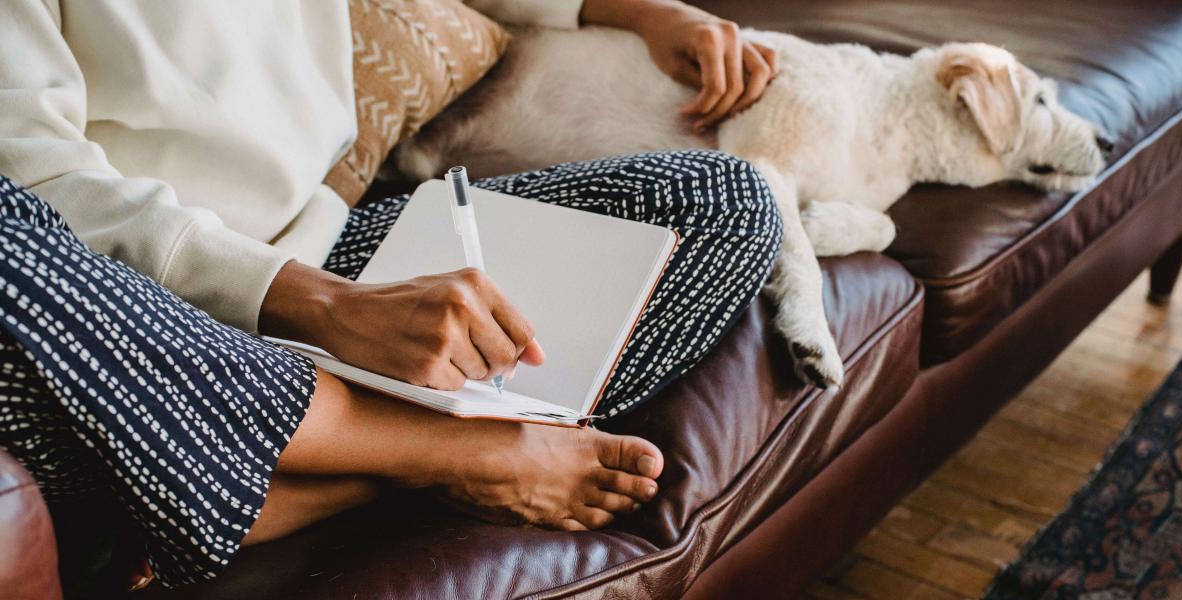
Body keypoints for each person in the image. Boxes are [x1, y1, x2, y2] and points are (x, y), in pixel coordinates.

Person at [0, 0, 783, 589]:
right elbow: (35, 179)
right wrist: (329, 309)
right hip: (123, 301)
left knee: (726, 204)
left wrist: (638, 10)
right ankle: (449, 453)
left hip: (323, 251)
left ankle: (263, 470)